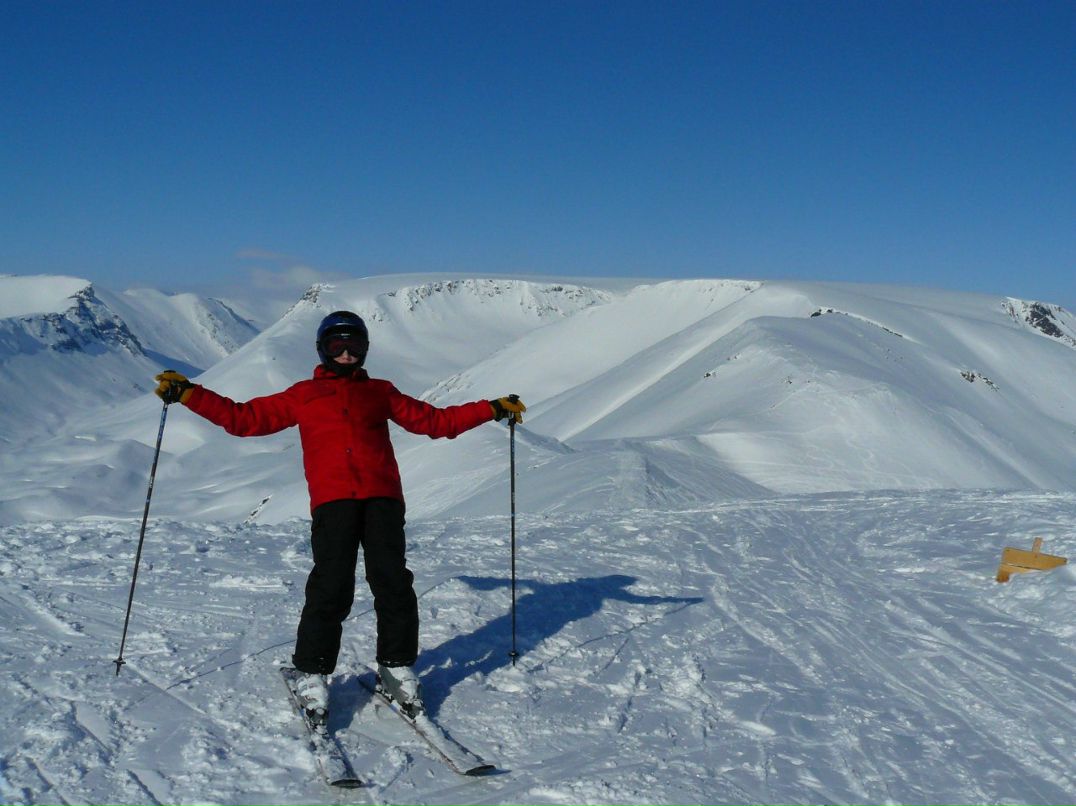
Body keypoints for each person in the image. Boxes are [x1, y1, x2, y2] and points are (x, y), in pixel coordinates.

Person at [154, 310, 525, 721]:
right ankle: (312, 671)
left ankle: (396, 665)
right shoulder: (303, 394)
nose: (346, 353)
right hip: (334, 503)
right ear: (323, 349)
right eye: (337, 345)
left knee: (393, 584)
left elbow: (436, 423)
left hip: (383, 499)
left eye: (355, 345)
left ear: (365, 350)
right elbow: (244, 420)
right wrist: (189, 394)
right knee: (332, 587)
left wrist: (491, 408)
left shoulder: (381, 392)